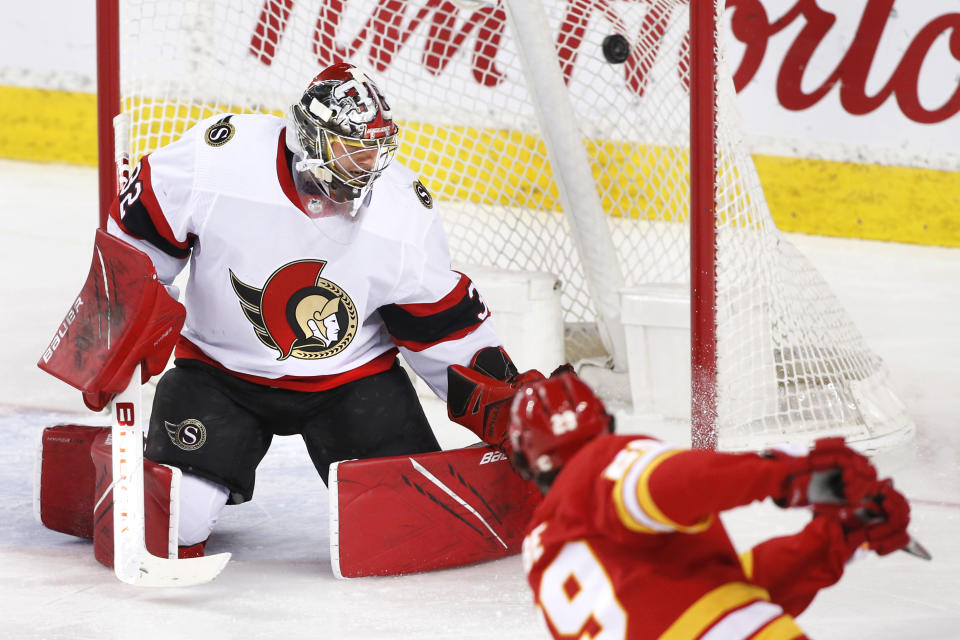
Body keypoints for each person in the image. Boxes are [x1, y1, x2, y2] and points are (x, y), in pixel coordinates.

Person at [93, 62, 539, 557]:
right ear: (308, 137)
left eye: (373, 150)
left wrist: (506, 399)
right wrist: (123, 318)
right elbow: (138, 234)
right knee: (178, 523)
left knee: (411, 526)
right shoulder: (221, 160)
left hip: (351, 383)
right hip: (220, 374)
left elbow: (441, 322)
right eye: (351, 149)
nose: (364, 165)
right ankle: (115, 469)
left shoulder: (401, 210)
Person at [505, 373, 914, 640]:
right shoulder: (602, 465)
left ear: (526, 465)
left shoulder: (544, 549)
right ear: (606, 426)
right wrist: (791, 474)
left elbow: (728, 591)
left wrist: (836, 539)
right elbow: (675, 483)